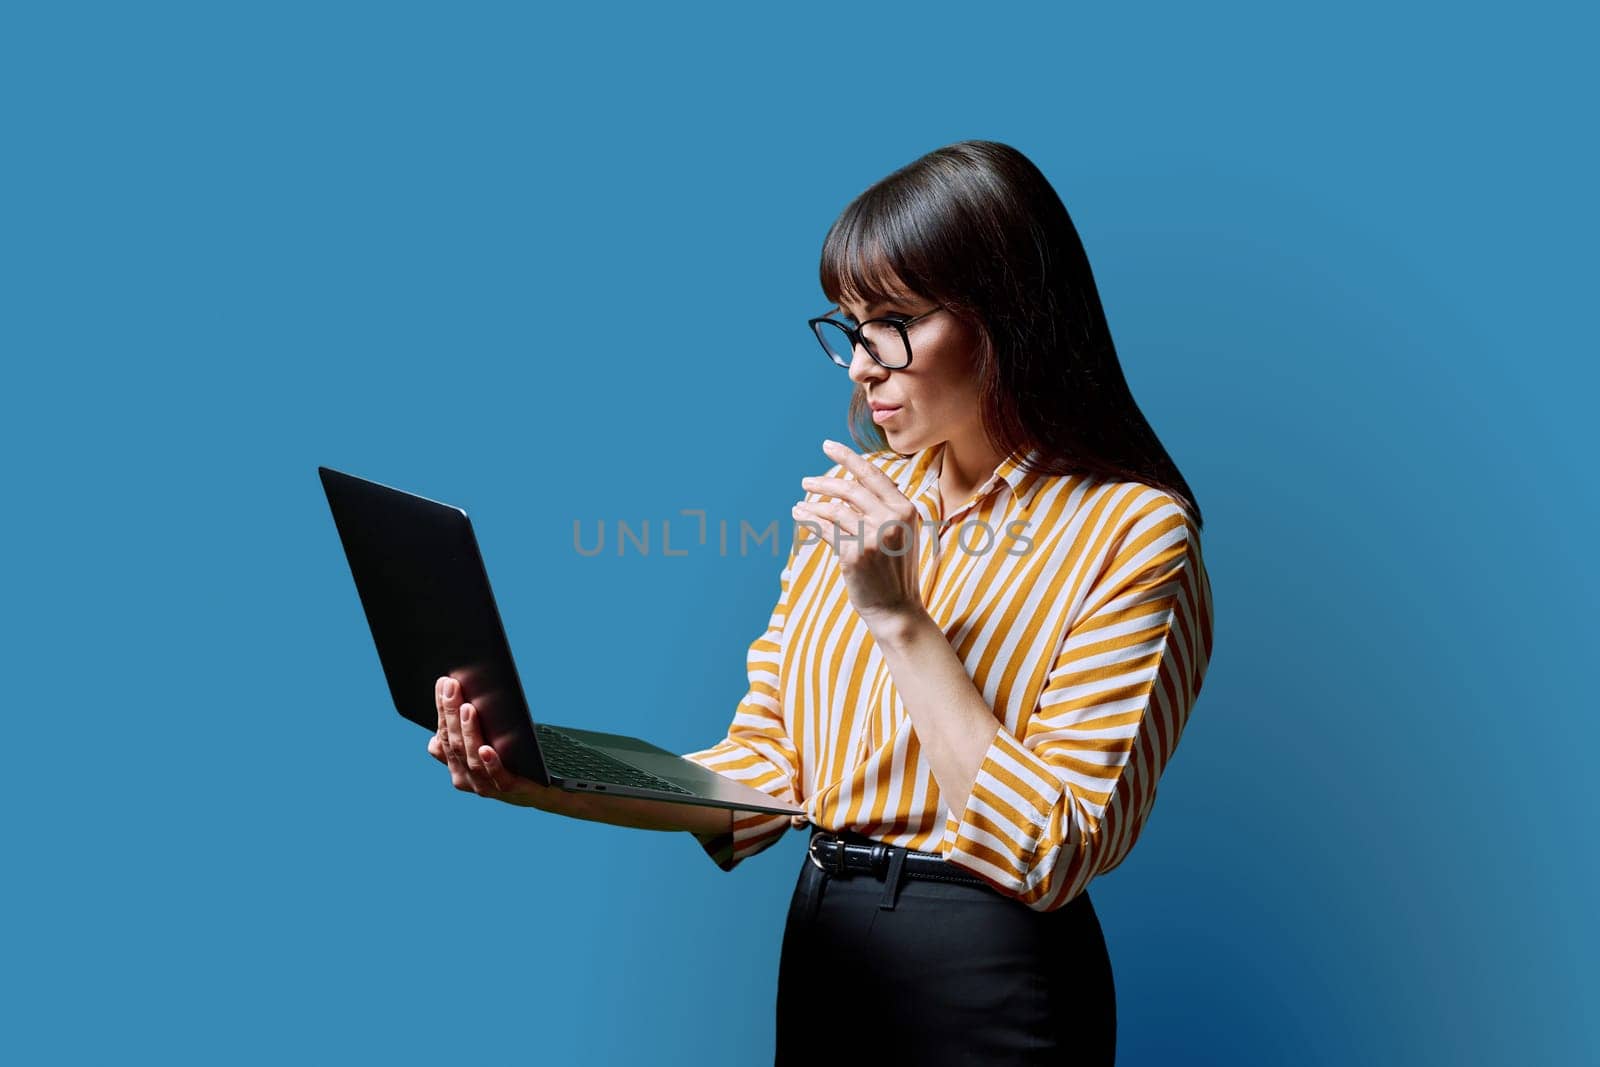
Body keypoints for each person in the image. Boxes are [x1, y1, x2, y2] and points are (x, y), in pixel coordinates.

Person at [429, 139, 1214, 1065]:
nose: (860, 366)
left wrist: (899, 616)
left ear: (1006, 314)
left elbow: (1053, 851)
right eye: (849, 325)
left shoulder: (1133, 532)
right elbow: (763, 779)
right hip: (826, 950)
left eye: (893, 322)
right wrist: (545, 774)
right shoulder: (854, 504)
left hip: (992, 976)